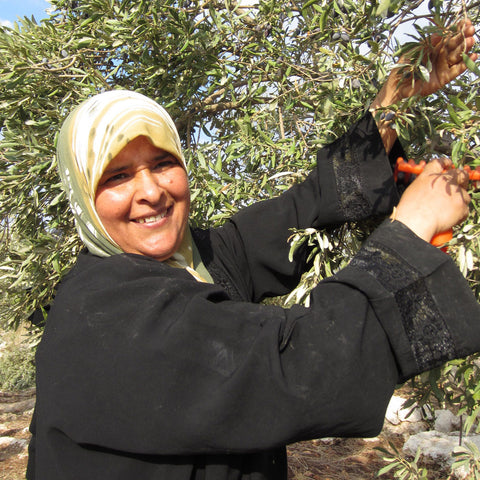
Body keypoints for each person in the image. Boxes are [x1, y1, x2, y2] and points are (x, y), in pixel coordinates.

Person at [27, 19, 480, 480]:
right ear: (83, 196)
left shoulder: (196, 260)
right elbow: (296, 366)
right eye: (118, 176)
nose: (151, 191)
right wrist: (412, 228)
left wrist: (392, 101)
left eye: (163, 163)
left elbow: (310, 206)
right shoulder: (105, 318)